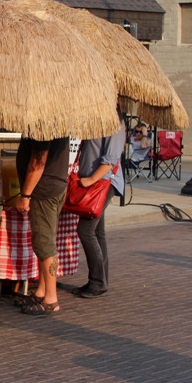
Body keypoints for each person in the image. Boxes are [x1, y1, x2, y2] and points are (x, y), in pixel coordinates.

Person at [13, 135, 70, 316]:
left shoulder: (42, 128)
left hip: (43, 191)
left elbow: (38, 163)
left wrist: (26, 195)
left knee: (44, 243)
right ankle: (42, 291)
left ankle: (51, 299)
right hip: (54, 186)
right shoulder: (54, 122)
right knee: (45, 240)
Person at [73, 116, 125, 299]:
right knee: (97, 232)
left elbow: (110, 159)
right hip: (94, 183)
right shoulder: (96, 121)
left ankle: (98, 282)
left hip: (103, 183)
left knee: (86, 230)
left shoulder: (115, 123)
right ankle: (99, 280)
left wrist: (91, 179)